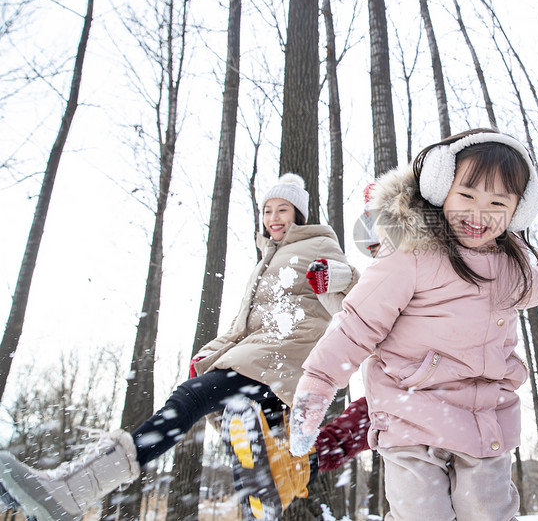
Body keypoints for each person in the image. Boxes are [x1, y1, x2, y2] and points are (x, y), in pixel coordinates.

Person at [0, 173, 361, 521]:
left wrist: (333, 275)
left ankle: (70, 491)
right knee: (256, 468)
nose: (273, 218)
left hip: (278, 361)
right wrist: (209, 353)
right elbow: (243, 327)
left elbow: (351, 283)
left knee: (188, 403)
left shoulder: (318, 243)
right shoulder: (266, 259)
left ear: (298, 213)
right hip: (258, 358)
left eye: (282, 209)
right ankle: (61, 493)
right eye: (267, 210)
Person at [285, 129, 538, 520]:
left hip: (485, 418)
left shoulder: (514, 268)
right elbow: (356, 324)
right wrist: (317, 386)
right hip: (412, 412)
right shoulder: (413, 254)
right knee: (423, 514)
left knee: (488, 512)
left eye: (497, 202)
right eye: (467, 196)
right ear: (441, 191)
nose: (479, 213)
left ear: (517, 211)